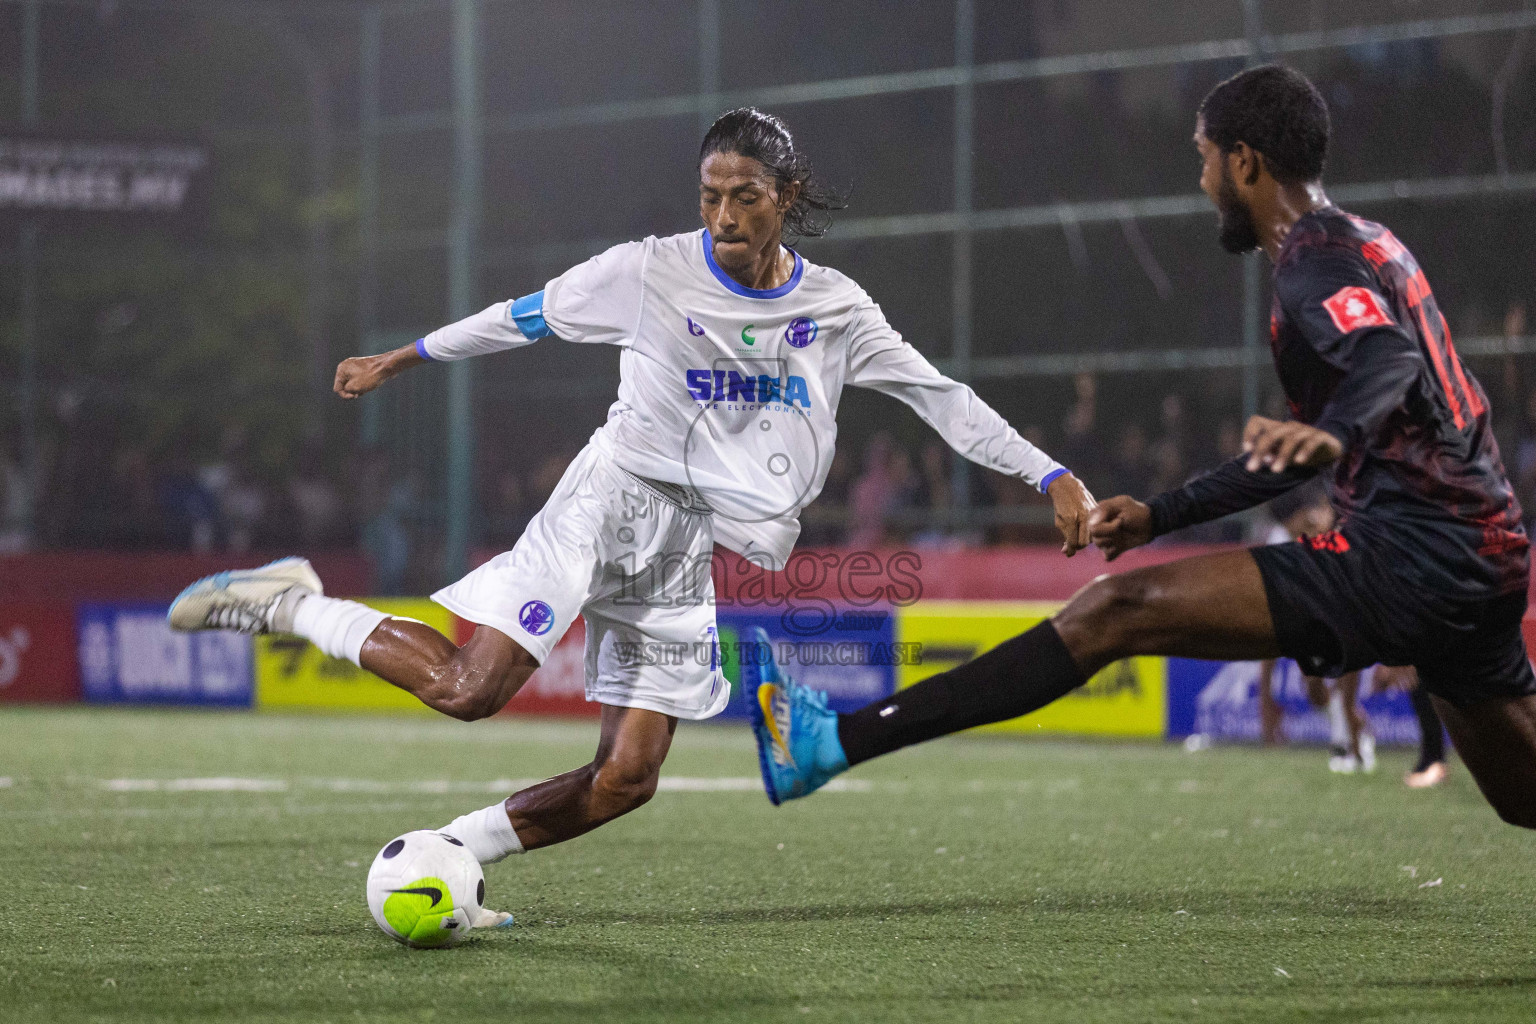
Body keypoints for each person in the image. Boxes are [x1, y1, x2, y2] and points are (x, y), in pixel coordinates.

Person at [166, 107, 1097, 918]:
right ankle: (292, 603)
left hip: (684, 548)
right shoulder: (648, 272)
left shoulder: (837, 307)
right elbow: (521, 316)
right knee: (468, 691)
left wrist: (1049, 473)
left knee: (627, 779)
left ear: (787, 193)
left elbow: (941, 398)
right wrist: (398, 360)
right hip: (609, 502)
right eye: (709, 197)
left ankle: (456, 849)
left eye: (745, 197)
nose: (724, 217)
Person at [747, 65, 1536, 832]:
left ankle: (830, 744)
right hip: (1482, 546)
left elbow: (1388, 358)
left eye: (1203, 159)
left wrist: (1331, 431)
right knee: (1522, 796)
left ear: (1244, 161)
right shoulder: (1367, 243)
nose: (1201, 182)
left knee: (1114, 611)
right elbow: (1366, 395)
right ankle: (827, 745)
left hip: (1411, 555)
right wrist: (1162, 516)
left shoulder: (1312, 263)